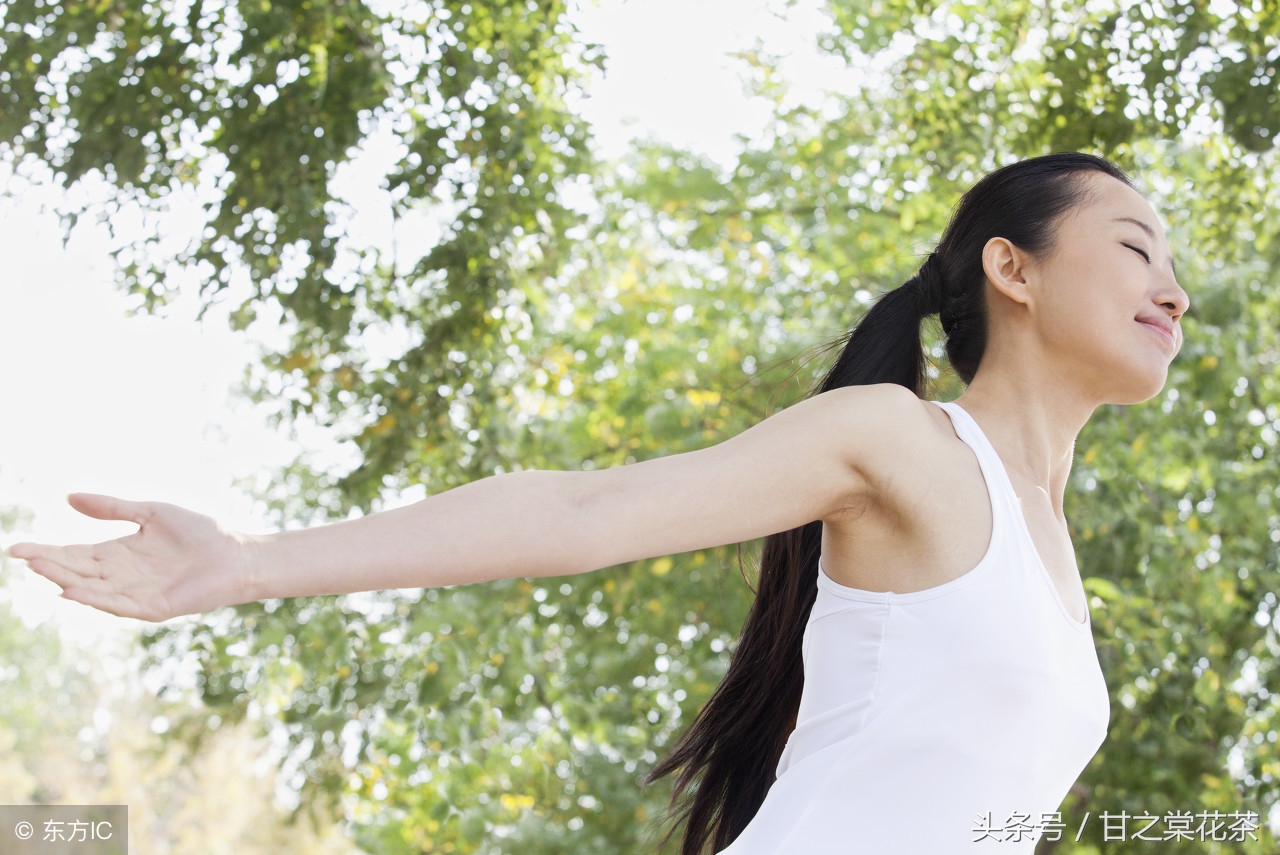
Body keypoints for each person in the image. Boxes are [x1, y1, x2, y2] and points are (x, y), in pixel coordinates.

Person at [6, 152, 1188, 853]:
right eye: (1137, 248)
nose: (1172, 291)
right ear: (1010, 267)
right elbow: (580, 514)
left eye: (1173, 267)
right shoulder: (899, 441)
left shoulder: (1049, 549)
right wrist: (250, 560)